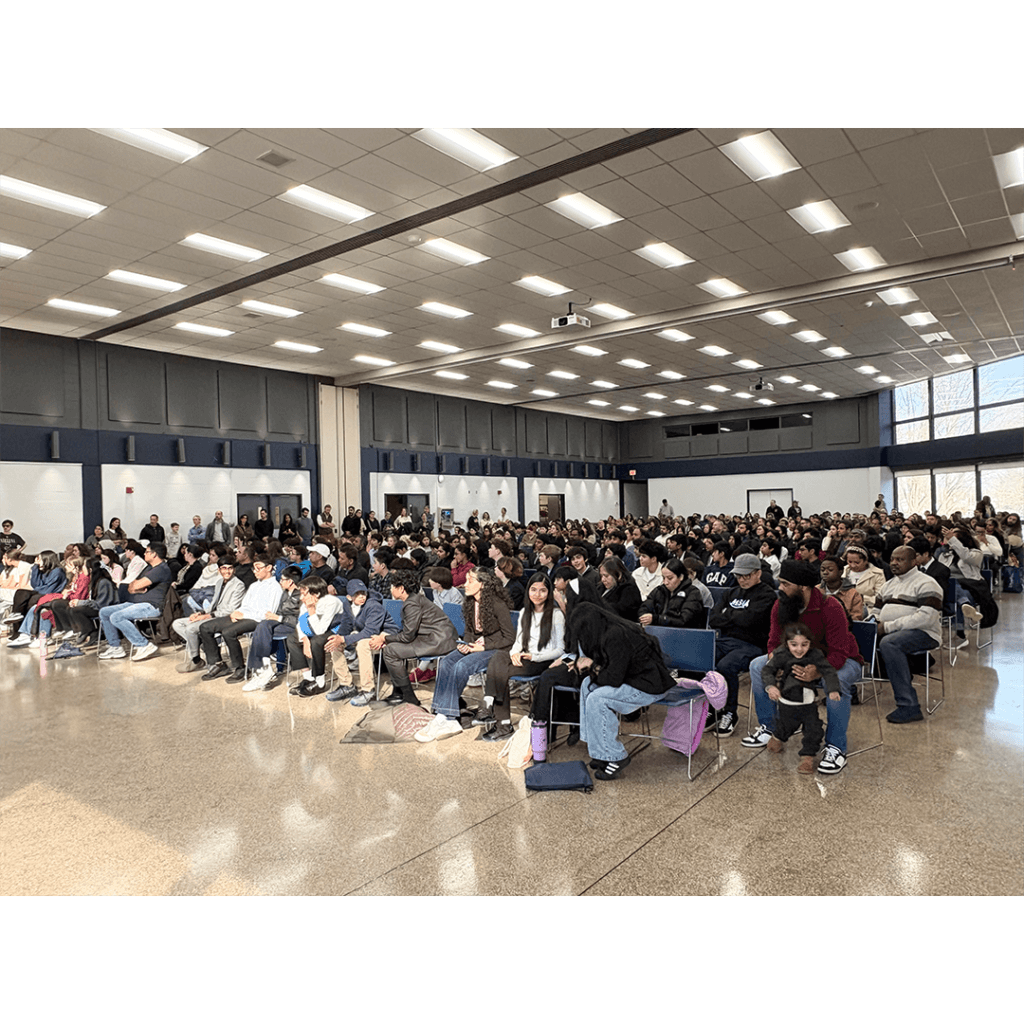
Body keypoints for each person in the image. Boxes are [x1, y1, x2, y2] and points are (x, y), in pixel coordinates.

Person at [741, 559, 863, 775]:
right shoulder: (781, 605)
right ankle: (771, 728)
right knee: (758, 666)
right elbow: (773, 642)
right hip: (795, 658)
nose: (780, 588)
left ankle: (835, 747)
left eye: (786, 584)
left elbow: (840, 652)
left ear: (804, 587)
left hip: (840, 661)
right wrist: (774, 661)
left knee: (836, 680)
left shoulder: (830, 607)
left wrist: (816, 670)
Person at [572, 603, 677, 781]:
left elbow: (613, 677)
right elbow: (611, 673)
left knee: (597, 698)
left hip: (648, 686)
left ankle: (616, 757)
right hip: (632, 679)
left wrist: (593, 666)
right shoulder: (606, 631)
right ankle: (599, 750)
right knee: (586, 684)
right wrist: (593, 669)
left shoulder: (615, 635)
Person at [417, 568, 514, 742]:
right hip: (476, 645)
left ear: (482, 584)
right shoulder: (469, 603)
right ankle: (442, 713)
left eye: (471, 580)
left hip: (495, 649)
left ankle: (448, 717)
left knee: (462, 666)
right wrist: (466, 644)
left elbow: (509, 638)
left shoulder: (497, 604)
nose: (465, 584)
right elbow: (469, 631)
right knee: (446, 661)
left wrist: (482, 647)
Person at [475, 572, 566, 743]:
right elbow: (518, 641)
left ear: (549, 593)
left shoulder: (556, 615)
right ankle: (491, 706)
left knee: (498, 672)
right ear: (528, 591)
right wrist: (514, 653)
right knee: (500, 657)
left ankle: (501, 722)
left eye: (542, 590)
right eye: (533, 589)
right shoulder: (525, 611)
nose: (537, 594)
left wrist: (535, 656)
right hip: (524, 656)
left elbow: (561, 649)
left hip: (543, 661)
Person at [706, 552, 776, 736]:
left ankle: (730, 712)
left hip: (752, 644)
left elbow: (750, 620)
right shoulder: (731, 592)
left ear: (758, 573)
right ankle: (713, 708)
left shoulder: (767, 594)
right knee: (704, 658)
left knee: (726, 665)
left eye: (747, 575)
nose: (742, 580)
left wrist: (727, 614)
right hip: (726, 640)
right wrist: (735, 617)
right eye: (739, 576)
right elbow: (714, 619)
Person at [873, 545, 944, 723]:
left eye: (900, 559)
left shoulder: (926, 583)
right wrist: (873, 623)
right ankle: (848, 692)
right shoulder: (889, 585)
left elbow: (926, 618)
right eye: (892, 559)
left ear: (914, 562)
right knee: (852, 636)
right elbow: (876, 611)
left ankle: (909, 706)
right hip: (892, 632)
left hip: (924, 633)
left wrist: (888, 626)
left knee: (889, 643)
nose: (894, 563)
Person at [368, 569, 458, 707]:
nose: (391, 588)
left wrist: (384, 639)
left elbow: (407, 636)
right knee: (392, 648)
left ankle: (409, 697)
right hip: (433, 638)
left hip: (438, 641)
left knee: (390, 651)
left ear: (401, 589)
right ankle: (398, 693)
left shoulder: (412, 603)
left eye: (393, 586)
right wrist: (387, 638)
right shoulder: (414, 599)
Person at [763, 622, 841, 774]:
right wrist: (770, 686)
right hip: (787, 701)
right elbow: (767, 670)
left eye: (804, 645)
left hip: (808, 702)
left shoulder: (815, 655)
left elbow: (829, 671)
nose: (799, 649)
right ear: (787, 643)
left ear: (810, 643)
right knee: (786, 726)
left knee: (814, 729)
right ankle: (778, 737)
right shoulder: (781, 654)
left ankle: (807, 758)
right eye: (794, 644)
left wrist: (832, 689)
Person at [198, 558, 282, 681]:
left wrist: (244, 615)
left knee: (228, 632)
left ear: (268, 568)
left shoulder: (275, 587)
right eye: (254, 568)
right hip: (244, 615)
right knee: (205, 627)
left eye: (258, 568)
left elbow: (268, 613)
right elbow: (245, 604)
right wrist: (238, 613)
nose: (255, 571)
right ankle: (218, 664)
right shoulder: (254, 585)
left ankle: (240, 668)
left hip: (257, 619)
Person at [97, 543, 172, 661]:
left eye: (147, 552)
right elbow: (131, 587)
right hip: (136, 602)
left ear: (154, 554)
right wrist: (137, 587)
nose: (144, 554)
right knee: (104, 612)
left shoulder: (161, 569)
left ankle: (143, 645)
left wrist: (137, 587)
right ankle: (115, 647)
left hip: (151, 606)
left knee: (117, 617)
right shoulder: (149, 568)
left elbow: (136, 585)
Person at [638, 557, 704, 629]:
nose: (665, 582)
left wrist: (657, 619)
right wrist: (645, 617)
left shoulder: (693, 593)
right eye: (663, 578)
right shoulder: (659, 590)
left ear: (681, 577)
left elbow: (685, 620)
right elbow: (644, 608)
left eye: (670, 578)